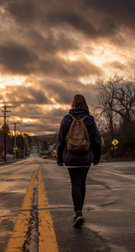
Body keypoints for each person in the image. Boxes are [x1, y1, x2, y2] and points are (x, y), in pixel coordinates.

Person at [56, 94, 102, 227]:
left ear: (73, 104)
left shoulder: (66, 119)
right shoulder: (90, 120)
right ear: (85, 104)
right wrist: (96, 158)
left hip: (71, 158)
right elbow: (97, 141)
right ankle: (79, 211)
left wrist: (59, 158)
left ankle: (78, 212)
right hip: (86, 158)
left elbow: (60, 142)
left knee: (75, 183)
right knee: (82, 184)